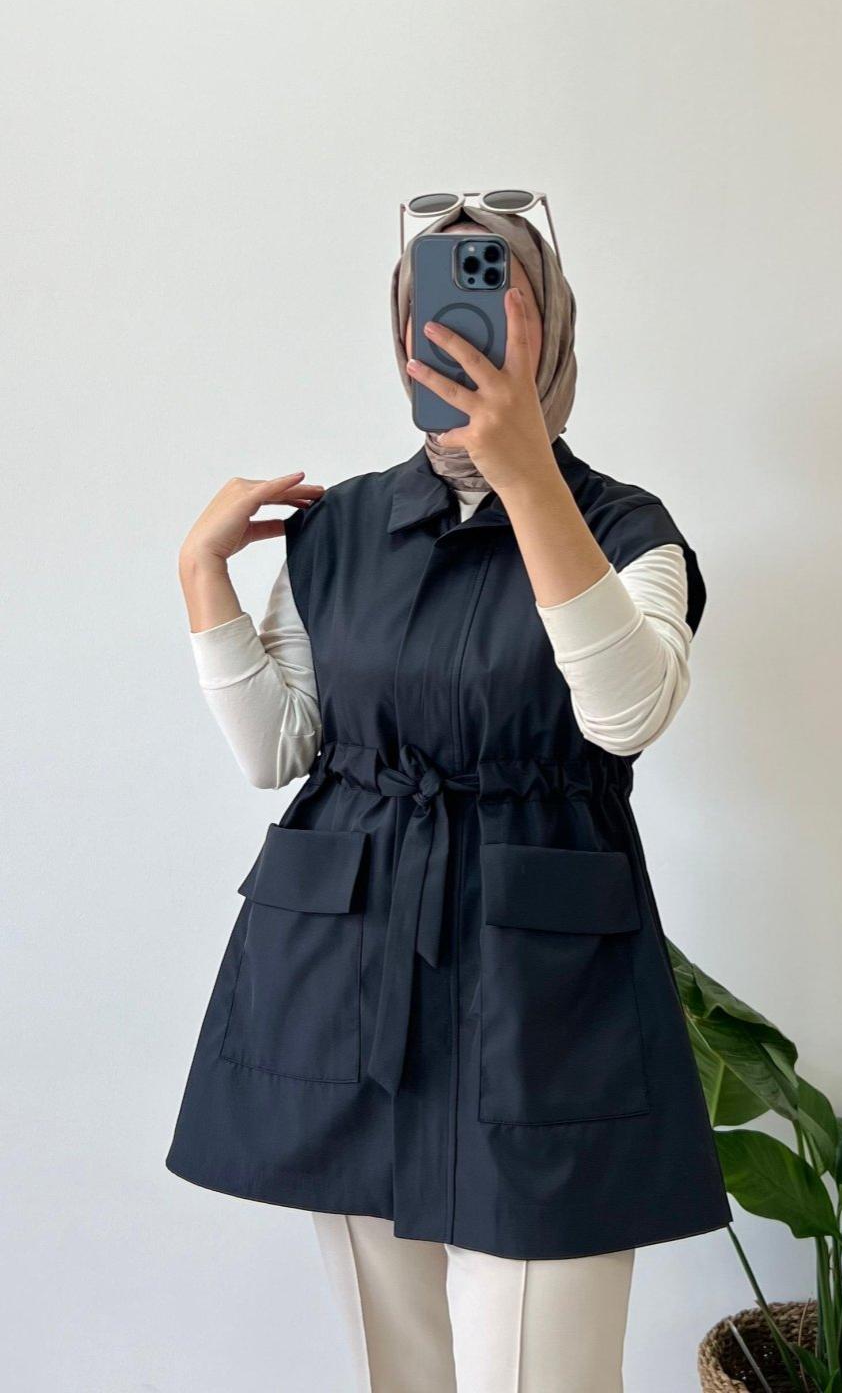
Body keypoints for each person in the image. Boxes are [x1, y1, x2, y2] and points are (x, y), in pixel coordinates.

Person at [166, 200, 732, 1392]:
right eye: (434, 303)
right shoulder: (340, 530)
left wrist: (528, 480)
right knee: (400, 1369)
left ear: (552, 327)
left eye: (496, 296)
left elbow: (626, 713)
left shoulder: (628, 529)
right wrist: (202, 576)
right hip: (349, 971)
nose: (459, 329)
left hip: (542, 998)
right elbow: (280, 751)